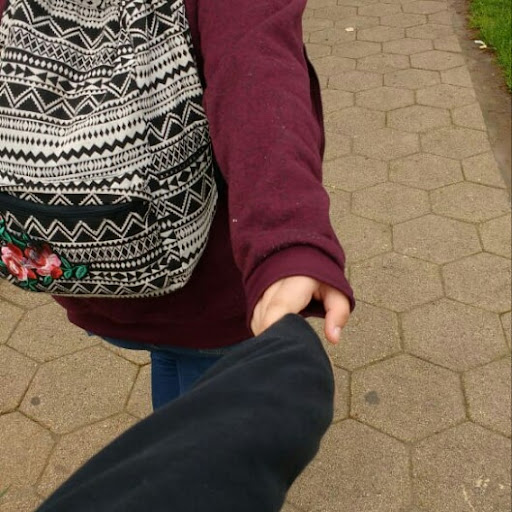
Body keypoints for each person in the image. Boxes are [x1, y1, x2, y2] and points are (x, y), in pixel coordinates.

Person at [0, 0, 355, 408]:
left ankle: (170, 412)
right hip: (209, 297)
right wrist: (287, 239)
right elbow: (255, 73)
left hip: (82, 263)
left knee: (170, 360)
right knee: (206, 404)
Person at [36, 315, 334, 512]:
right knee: (196, 365)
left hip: (137, 305)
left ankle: (173, 431)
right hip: (205, 312)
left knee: (167, 348)